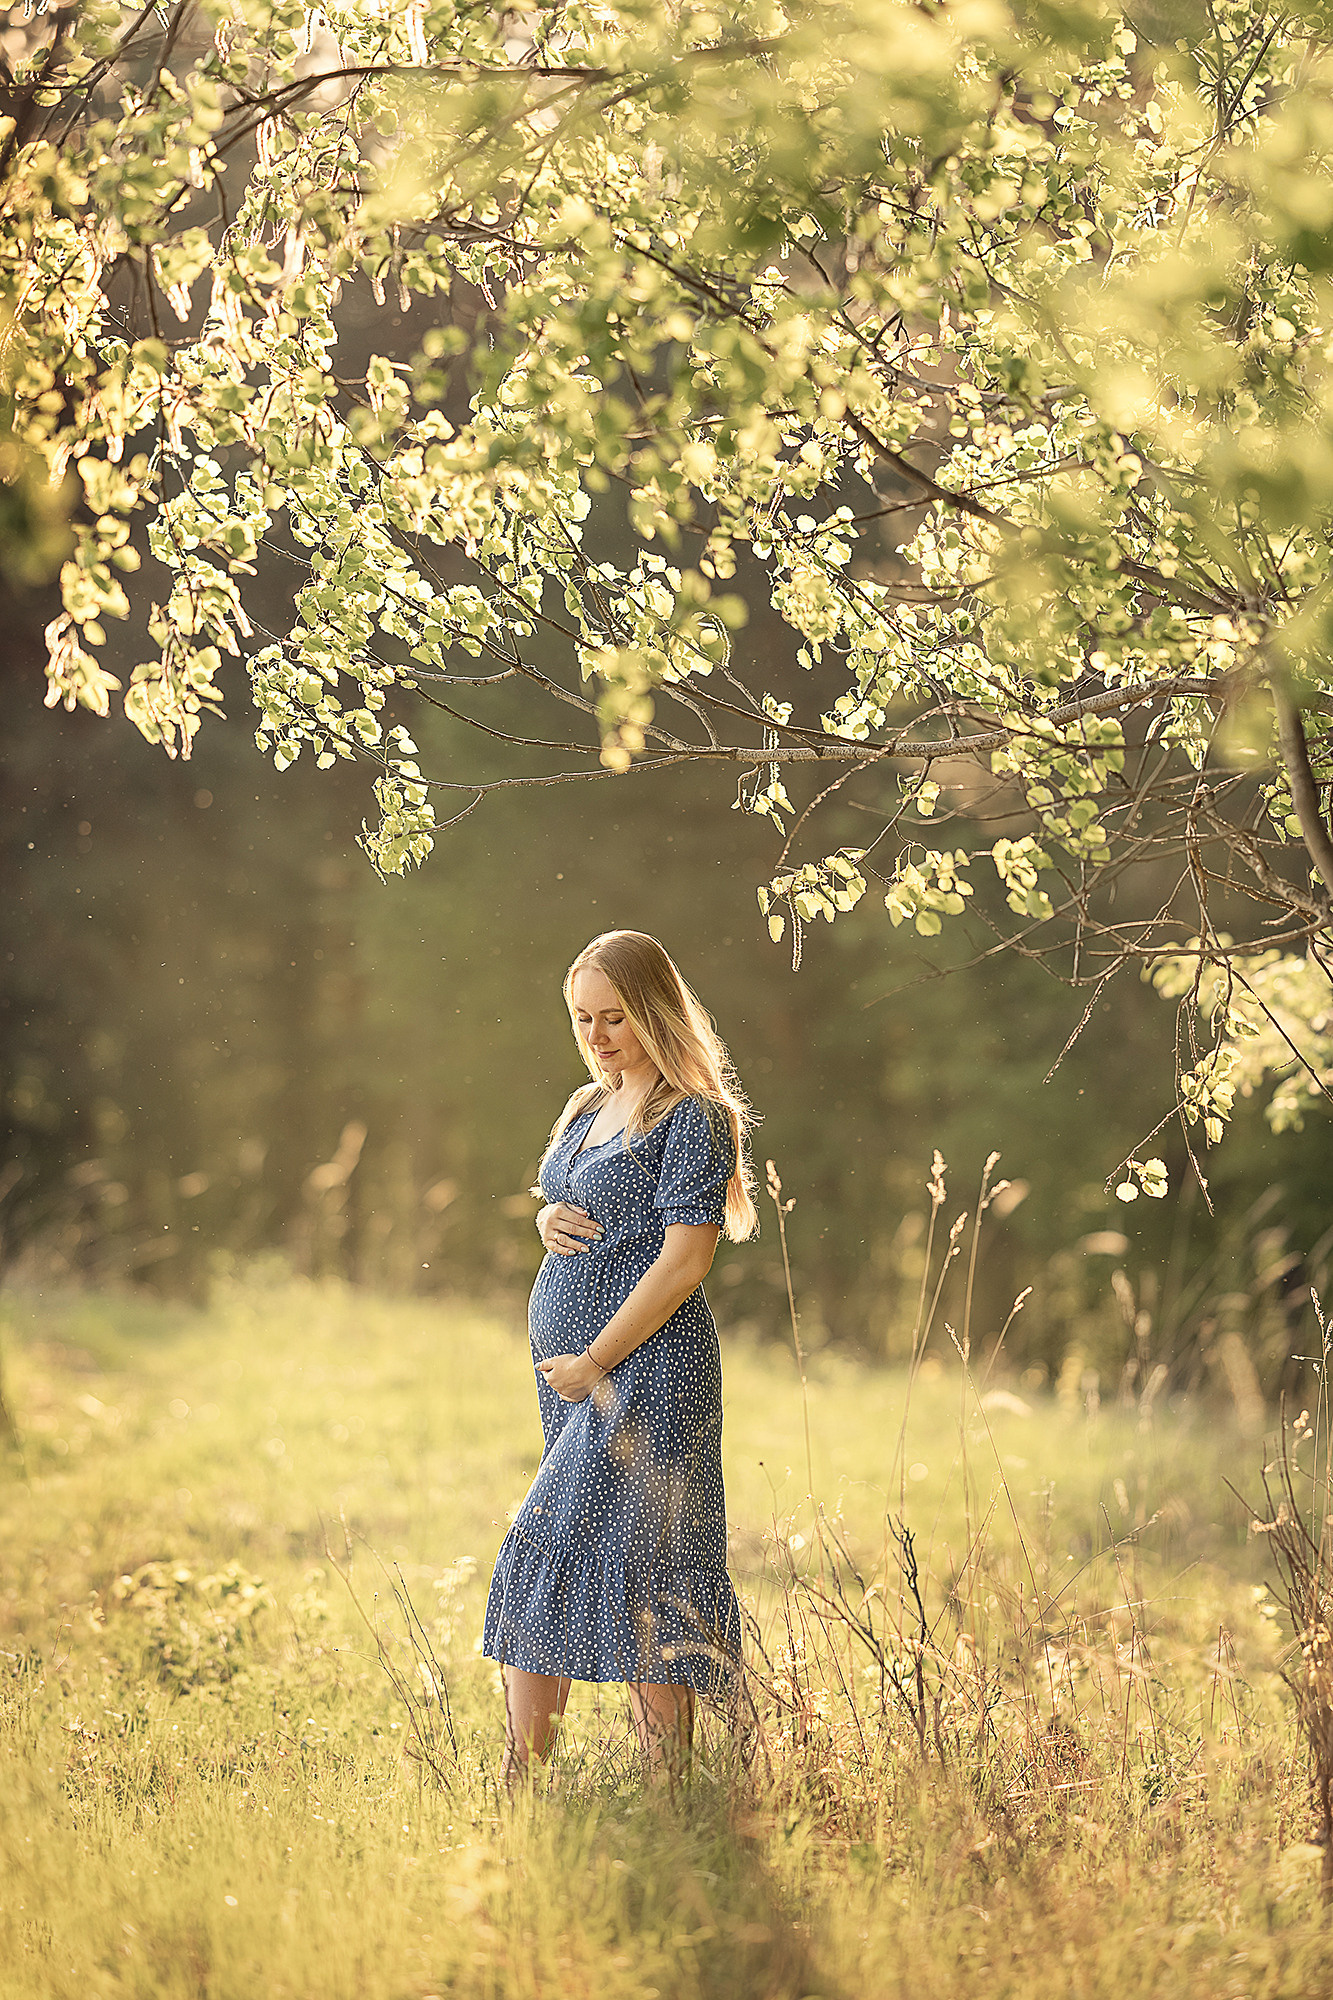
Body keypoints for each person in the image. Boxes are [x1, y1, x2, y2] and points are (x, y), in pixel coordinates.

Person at [482, 929, 757, 1783]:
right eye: (582, 1019)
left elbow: (685, 1258)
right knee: (577, 1548)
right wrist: (541, 1220)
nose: (597, 1037)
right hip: (575, 1381)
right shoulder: (581, 1105)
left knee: (630, 1558)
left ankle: (663, 1789)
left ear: (654, 1011)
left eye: (614, 1018)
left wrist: (596, 1359)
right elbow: (572, 1200)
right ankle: (524, 1783)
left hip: (647, 1370)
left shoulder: (692, 1117)